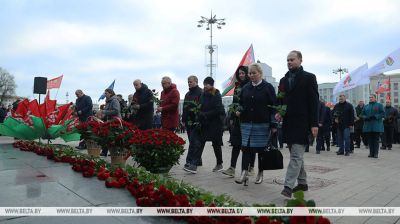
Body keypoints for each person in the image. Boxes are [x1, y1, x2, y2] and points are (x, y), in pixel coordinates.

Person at [276, 50, 319, 198]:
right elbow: (280, 100)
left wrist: (314, 124)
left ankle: (288, 186)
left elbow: (314, 103)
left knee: (295, 156)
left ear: (300, 60)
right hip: (288, 123)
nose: (289, 62)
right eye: (287, 60)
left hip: (303, 123)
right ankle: (302, 183)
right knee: (296, 155)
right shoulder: (283, 80)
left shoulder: (309, 78)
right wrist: (279, 112)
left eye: (292, 60)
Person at [234, 63, 277, 186]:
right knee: (246, 148)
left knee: (261, 151)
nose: (251, 75)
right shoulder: (246, 88)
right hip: (247, 123)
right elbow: (241, 103)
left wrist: (273, 125)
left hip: (262, 124)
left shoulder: (268, 87)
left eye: (254, 73)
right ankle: (243, 173)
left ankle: (260, 173)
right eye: (250, 73)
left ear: (260, 73)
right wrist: (239, 110)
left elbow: (273, 107)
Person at [183, 77, 225, 174]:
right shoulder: (203, 94)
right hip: (205, 124)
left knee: (216, 145)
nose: (205, 86)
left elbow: (218, 110)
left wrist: (205, 114)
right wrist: (198, 113)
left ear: (212, 84)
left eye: (207, 84)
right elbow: (200, 106)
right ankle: (194, 165)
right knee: (200, 142)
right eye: (204, 84)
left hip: (215, 125)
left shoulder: (216, 94)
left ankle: (219, 164)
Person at [221, 66, 254, 177]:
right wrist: (232, 116)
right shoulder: (237, 86)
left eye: (243, 73)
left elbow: (250, 103)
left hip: (249, 119)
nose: (241, 75)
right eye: (239, 74)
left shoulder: (251, 85)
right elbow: (235, 102)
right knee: (235, 144)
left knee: (249, 146)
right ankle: (232, 168)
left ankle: (250, 167)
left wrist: (243, 110)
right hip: (237, 119)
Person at [182, 75, 204, 167]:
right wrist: (183, 119)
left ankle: (190, 161)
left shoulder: (201, 92)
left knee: (194, 141)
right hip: (188, 121)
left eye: (190, 82)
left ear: (196, 81)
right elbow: (184, 108)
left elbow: (202, 106)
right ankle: (198, 160)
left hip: (196, 121)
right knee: (192, 141)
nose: (189, 83)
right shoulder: (187, 94)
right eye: (188, 82)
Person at [98, 89, 121, 156]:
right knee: (107, 136)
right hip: (109, 121)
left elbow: (116, 111)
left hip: (115, 121)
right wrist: (102, 116)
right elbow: (107, 111)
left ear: (110, 93)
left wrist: (104, 112)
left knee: (114, 137)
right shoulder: (108, 101)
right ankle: (105, 151)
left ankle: (114, 152)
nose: (105, 95)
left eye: (106, 93)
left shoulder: (114, 100)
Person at [361, 94, 384, 158]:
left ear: (375, 98)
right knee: (370, 140)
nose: (370, 98)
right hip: (368, 126)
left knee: (376, 140)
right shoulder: (366, 106)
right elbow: (362, 115)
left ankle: (376, 153)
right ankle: (371, 153)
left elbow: (383, 113)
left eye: (372, 97)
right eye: (370, 97)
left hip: (376, 125)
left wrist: (375, 116)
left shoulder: (379, 105)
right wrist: (366, 117)